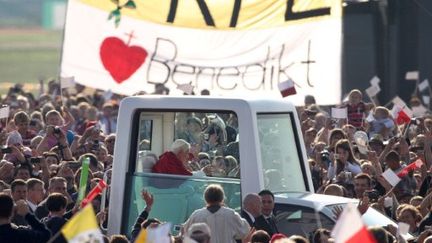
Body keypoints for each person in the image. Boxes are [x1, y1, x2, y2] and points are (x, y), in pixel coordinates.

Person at [183, 184, 250, 243]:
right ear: (222, 198)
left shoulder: (197, 215)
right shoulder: (230, 214)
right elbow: (244, 231)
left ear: (205, 198)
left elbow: (185, 232)